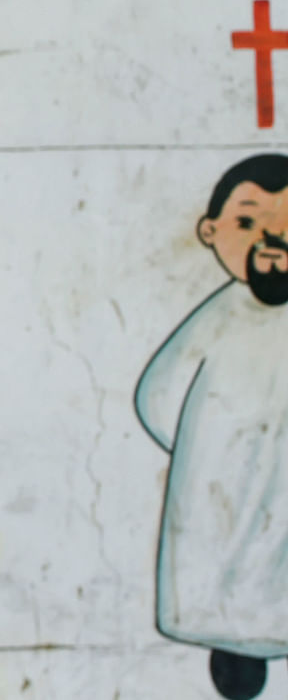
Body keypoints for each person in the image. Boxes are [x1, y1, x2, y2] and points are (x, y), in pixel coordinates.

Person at [136, 153, 288, 700]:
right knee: (223, 578)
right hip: (218, 491)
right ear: (210, 231)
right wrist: (206, 454)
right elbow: (160, 396)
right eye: (248, 223)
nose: (271, 242)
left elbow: (158, 401)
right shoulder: (219, 317)